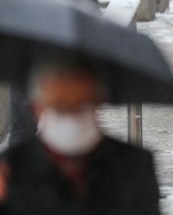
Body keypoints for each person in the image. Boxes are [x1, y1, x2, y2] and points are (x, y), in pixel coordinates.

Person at [0, 58, 161, 214]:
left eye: (81, 106)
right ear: (38, 108)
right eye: (60, 107)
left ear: (99, 102)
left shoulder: (134, 165)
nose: (71, 117)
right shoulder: (10, 169)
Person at [0, 0, 98, 147]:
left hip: (20, 57)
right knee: (66, 128)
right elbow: (90, 10)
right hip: (62, 57)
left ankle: (23, 180)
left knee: (22, 130)